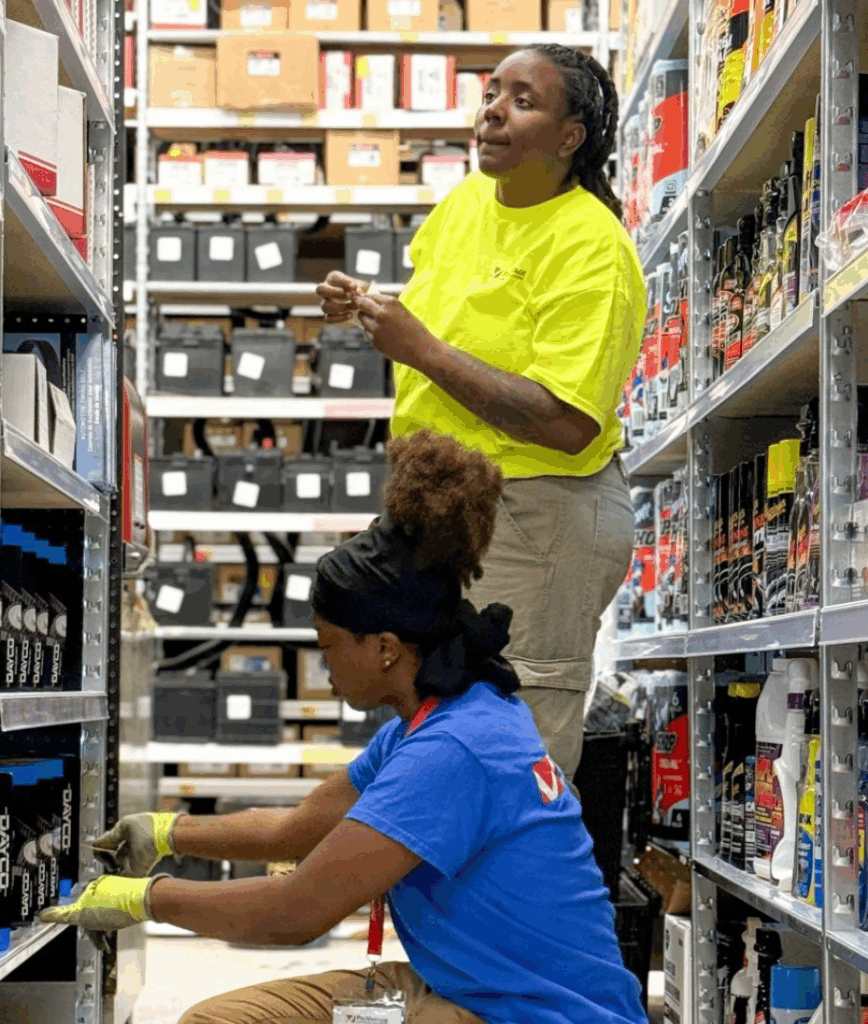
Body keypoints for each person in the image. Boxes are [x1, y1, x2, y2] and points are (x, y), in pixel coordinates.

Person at [42, 431, 648, 1024]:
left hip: (536, 1012)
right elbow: (295, 829)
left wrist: (146, 899)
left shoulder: (453, 751)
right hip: (467, 985)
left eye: (328, 646)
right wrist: (167, 833)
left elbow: (295, 910)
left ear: (385, 648)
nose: (322, 665)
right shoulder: (440, 719)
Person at [316, 44, 644, 780]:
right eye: (492, 92)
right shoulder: (466, 202)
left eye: (523, 100)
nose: (493, 109)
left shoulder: (594, 248)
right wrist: (374, 310)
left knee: (515, 743)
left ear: (570, 138)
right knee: (445, 731)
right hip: (450, 509)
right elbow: (451, 324)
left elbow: (567, 420)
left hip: (536, 515)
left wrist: (421, 349)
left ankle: (516, 895)